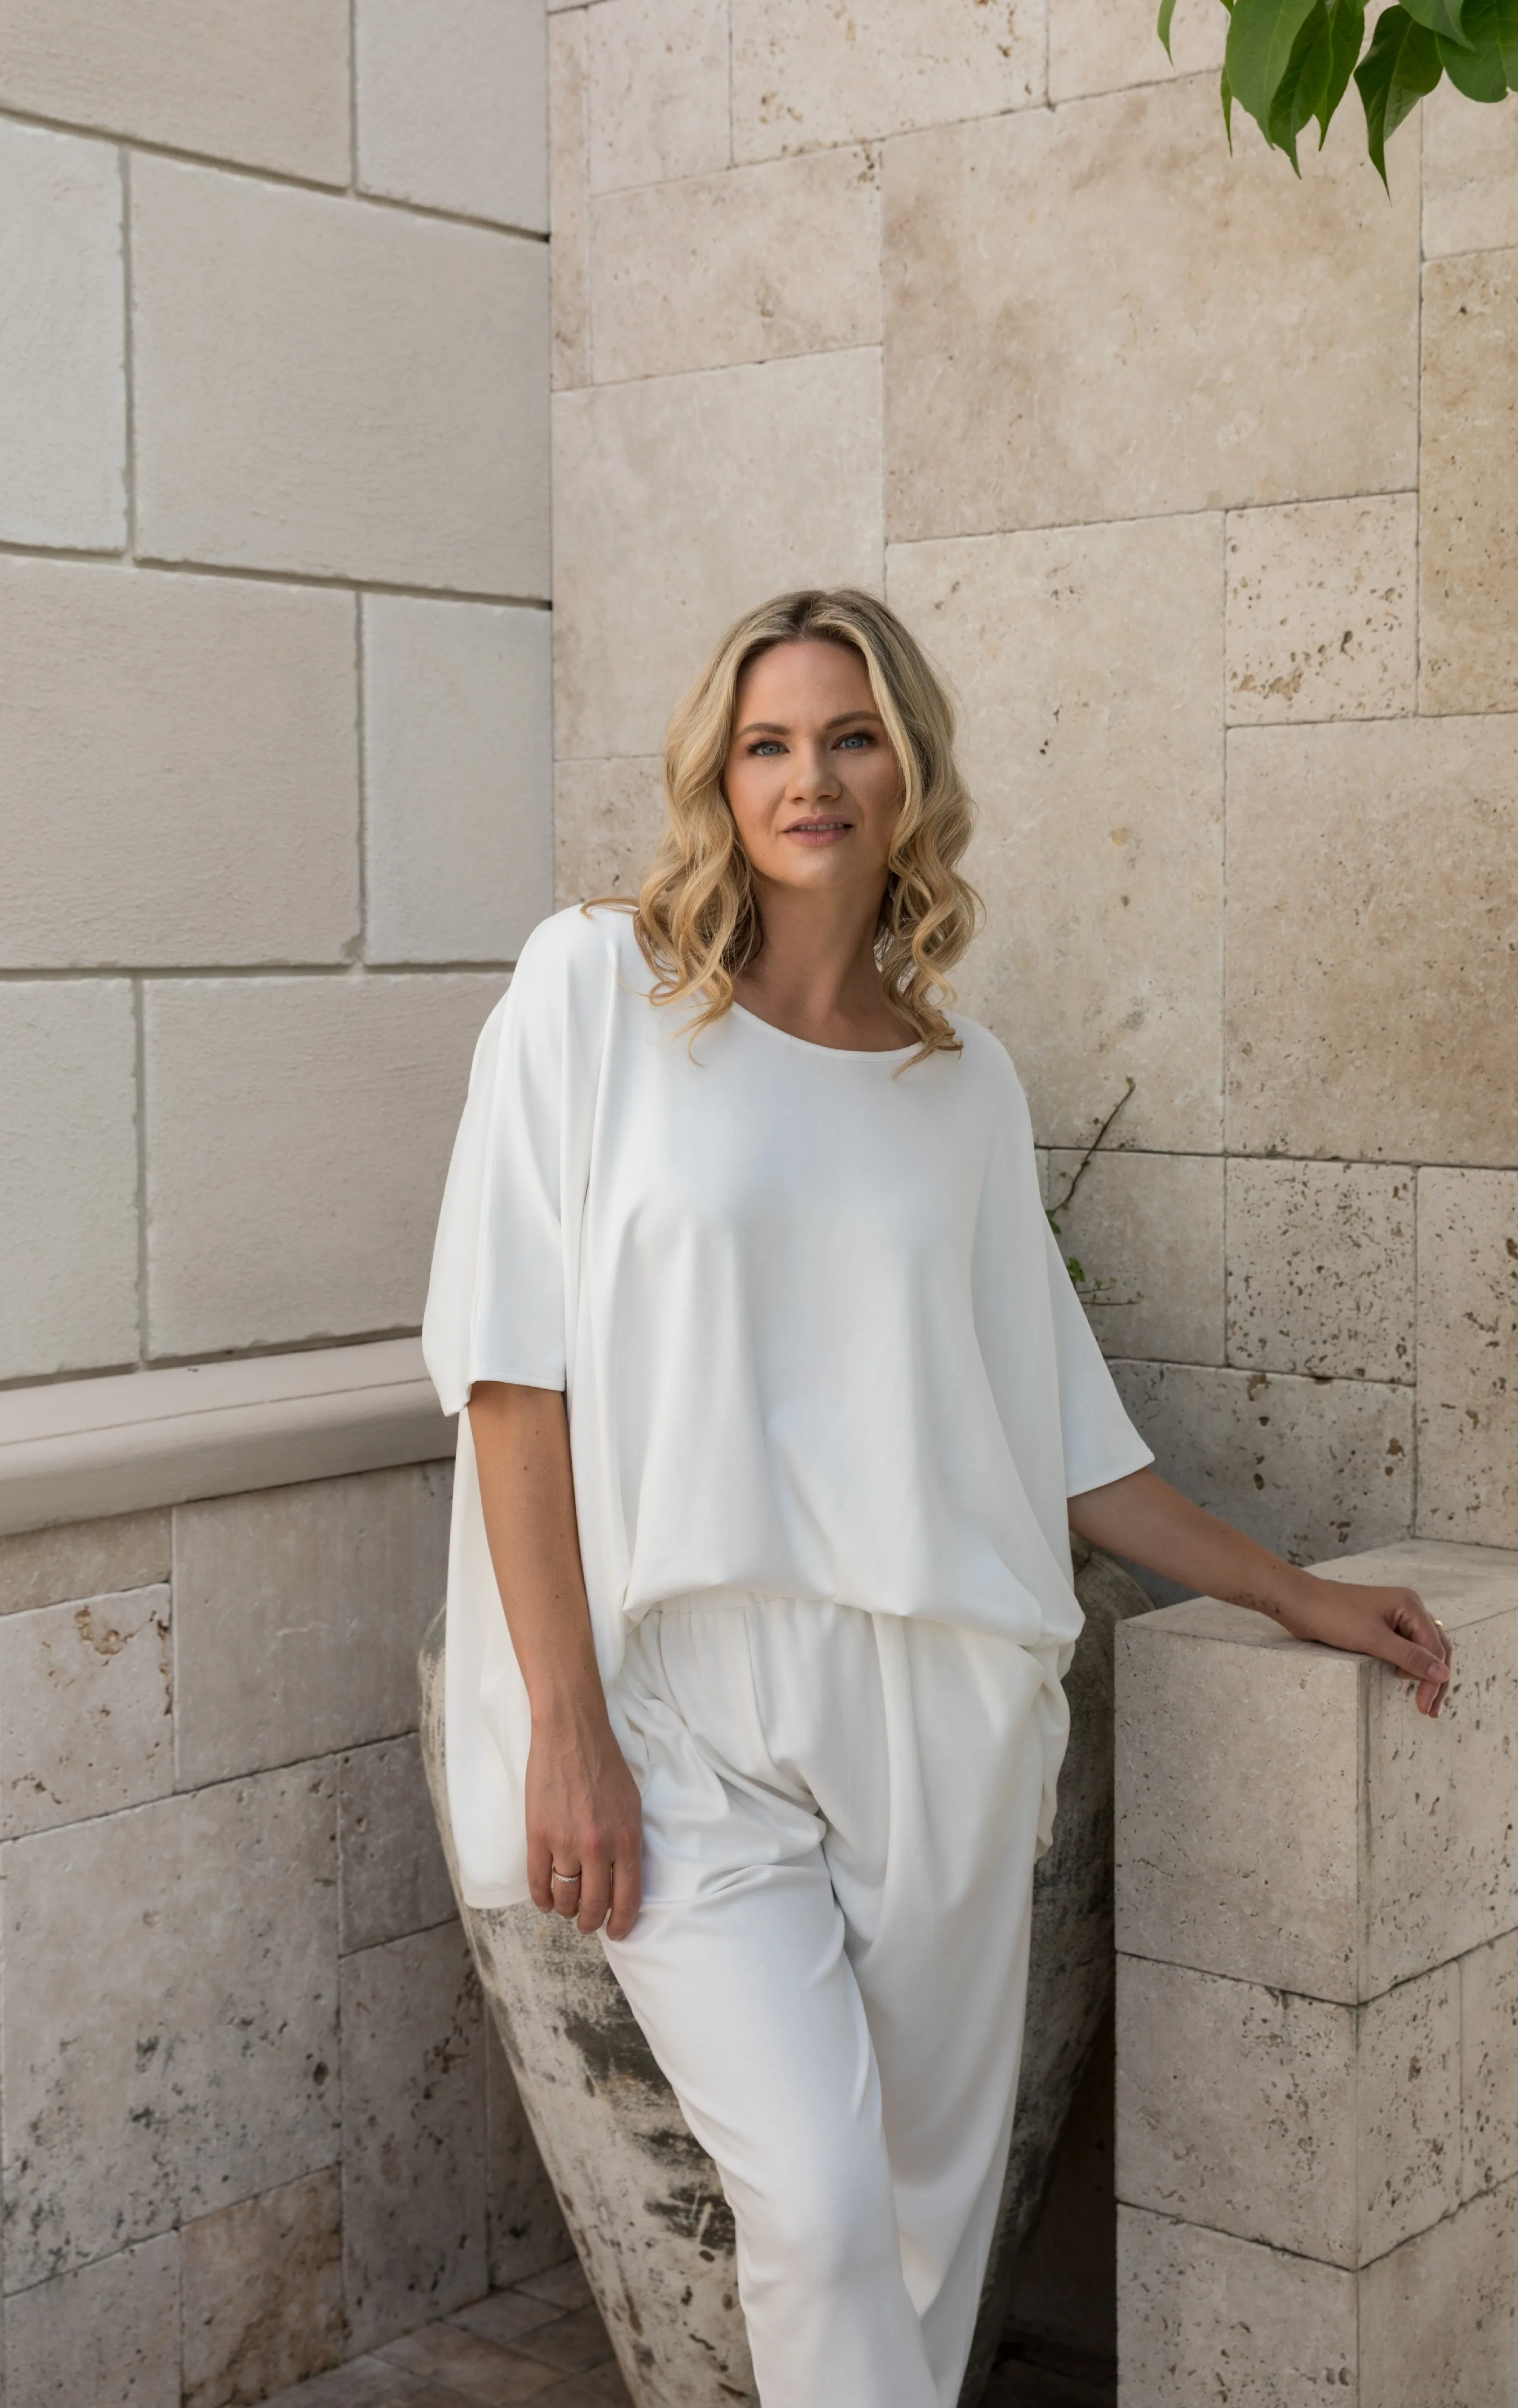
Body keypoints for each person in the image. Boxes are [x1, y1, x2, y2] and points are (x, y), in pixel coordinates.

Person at [421, 587, 1452, 2408]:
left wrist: (1293, 1592)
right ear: (717, 776)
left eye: (849, 735)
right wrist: (562, 1723)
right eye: (766, 741)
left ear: (909, 772)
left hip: (928, 1715)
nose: (807, 775)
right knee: (814, 2214)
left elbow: (1066, 1440)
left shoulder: (958, 1087)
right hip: (671, 1710)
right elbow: (511, 1378)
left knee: (909, 2236)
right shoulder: (592, 992)